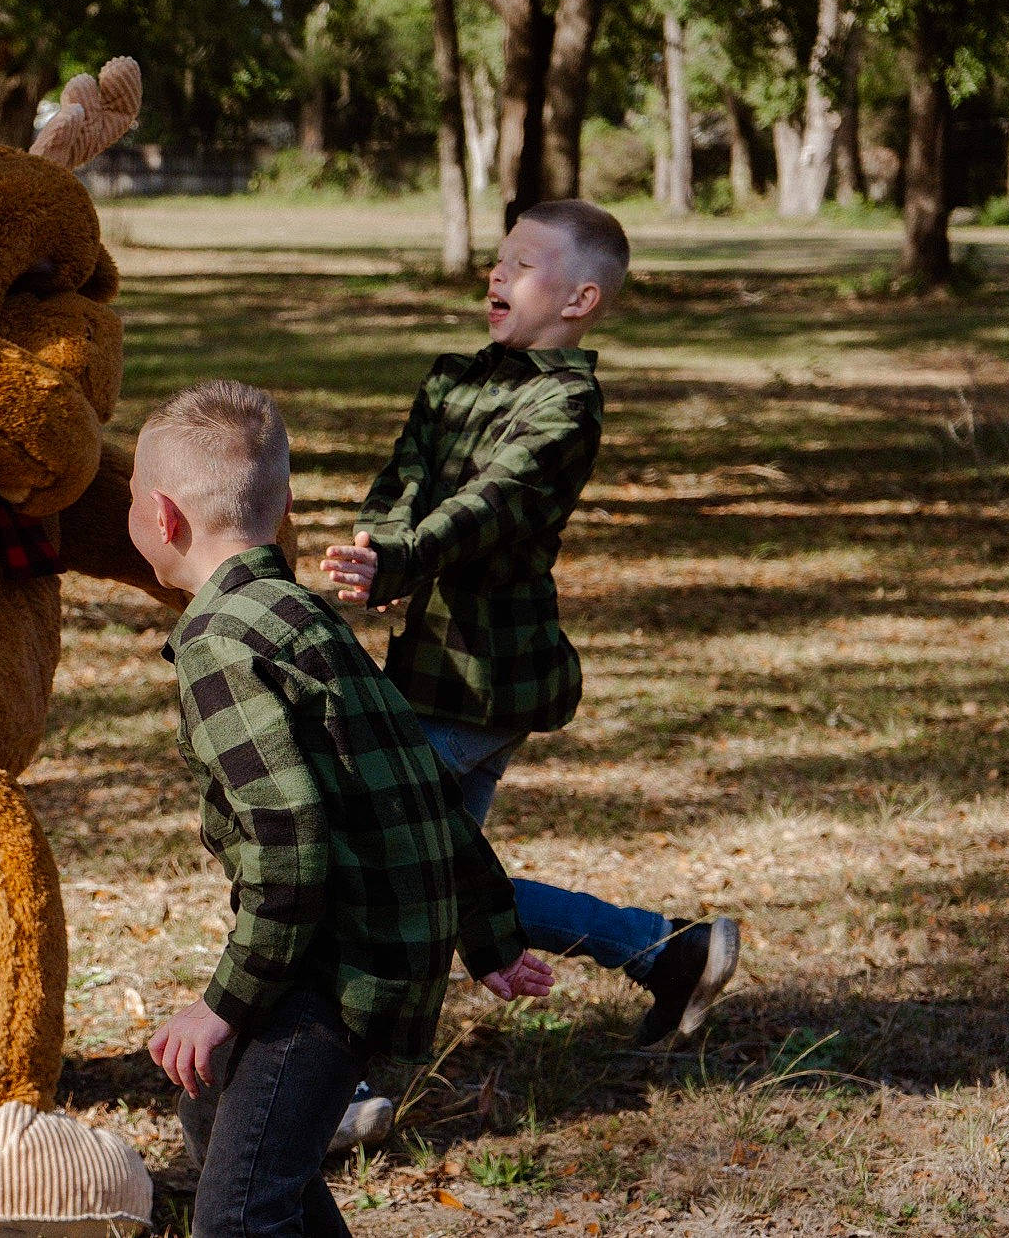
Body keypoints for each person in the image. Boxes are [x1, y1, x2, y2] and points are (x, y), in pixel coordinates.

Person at [320, 200, 740, 1147]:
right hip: (426, 666)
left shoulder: (566, 406)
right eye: (498, 259)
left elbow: (491, 504)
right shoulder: (453, 378)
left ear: (581, 300)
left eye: (524, 264)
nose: (497, 274)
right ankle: (667, 950)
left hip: (486, 678)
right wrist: (381, 547)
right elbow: (405, 480)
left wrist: (407, 559)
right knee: (441, 869)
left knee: (371, 858)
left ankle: (336, 1083)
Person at [132, 381, 554, 1238]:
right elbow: (415, 779)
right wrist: (490, 929)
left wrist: (222, 1004)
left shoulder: (219, 643)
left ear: (162, 518)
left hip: (331, 969)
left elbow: (289, 846)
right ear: (284, 505)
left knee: (239, 1215)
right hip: (361, 946)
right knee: (219, 1118)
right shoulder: (301, 616)